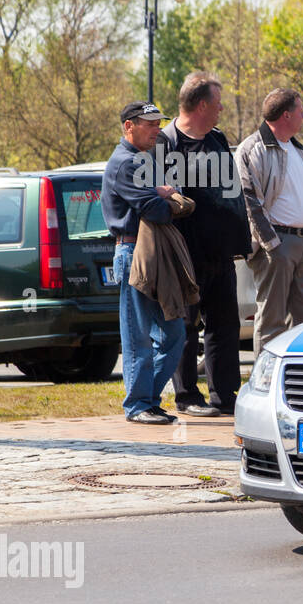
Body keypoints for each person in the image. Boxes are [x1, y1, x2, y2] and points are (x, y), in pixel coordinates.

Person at [160, 72, 251, 417]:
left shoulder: (217, 139)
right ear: (200, 105)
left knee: (225, 324)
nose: (221, 109)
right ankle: (186, 395)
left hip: (220, 253)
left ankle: (225, 395)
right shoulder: (165, 143)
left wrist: (240, 240)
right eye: (217, 103)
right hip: (184, 256)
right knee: (184, 325)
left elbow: (232, 195)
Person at [100, 102, 187, 424]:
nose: (156, 129)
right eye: (149, 124)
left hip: (152, 252)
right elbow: (156, 209)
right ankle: (138, 405)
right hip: (134, 253)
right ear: (128, 126)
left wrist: (166, 196)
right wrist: (166, 197)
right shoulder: (126, 163)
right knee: (138, 335)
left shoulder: (144, 161)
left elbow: (168, 202)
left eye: (158, 123)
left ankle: (147, 400)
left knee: (174, 332)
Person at [235, 88, 303, 356]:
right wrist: (271, 244)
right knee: (272, 319)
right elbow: (248, 198)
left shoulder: (297, 149)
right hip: (277, 244)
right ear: (286, 114)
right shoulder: (253, 149)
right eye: (300, 110)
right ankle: (265, 382)